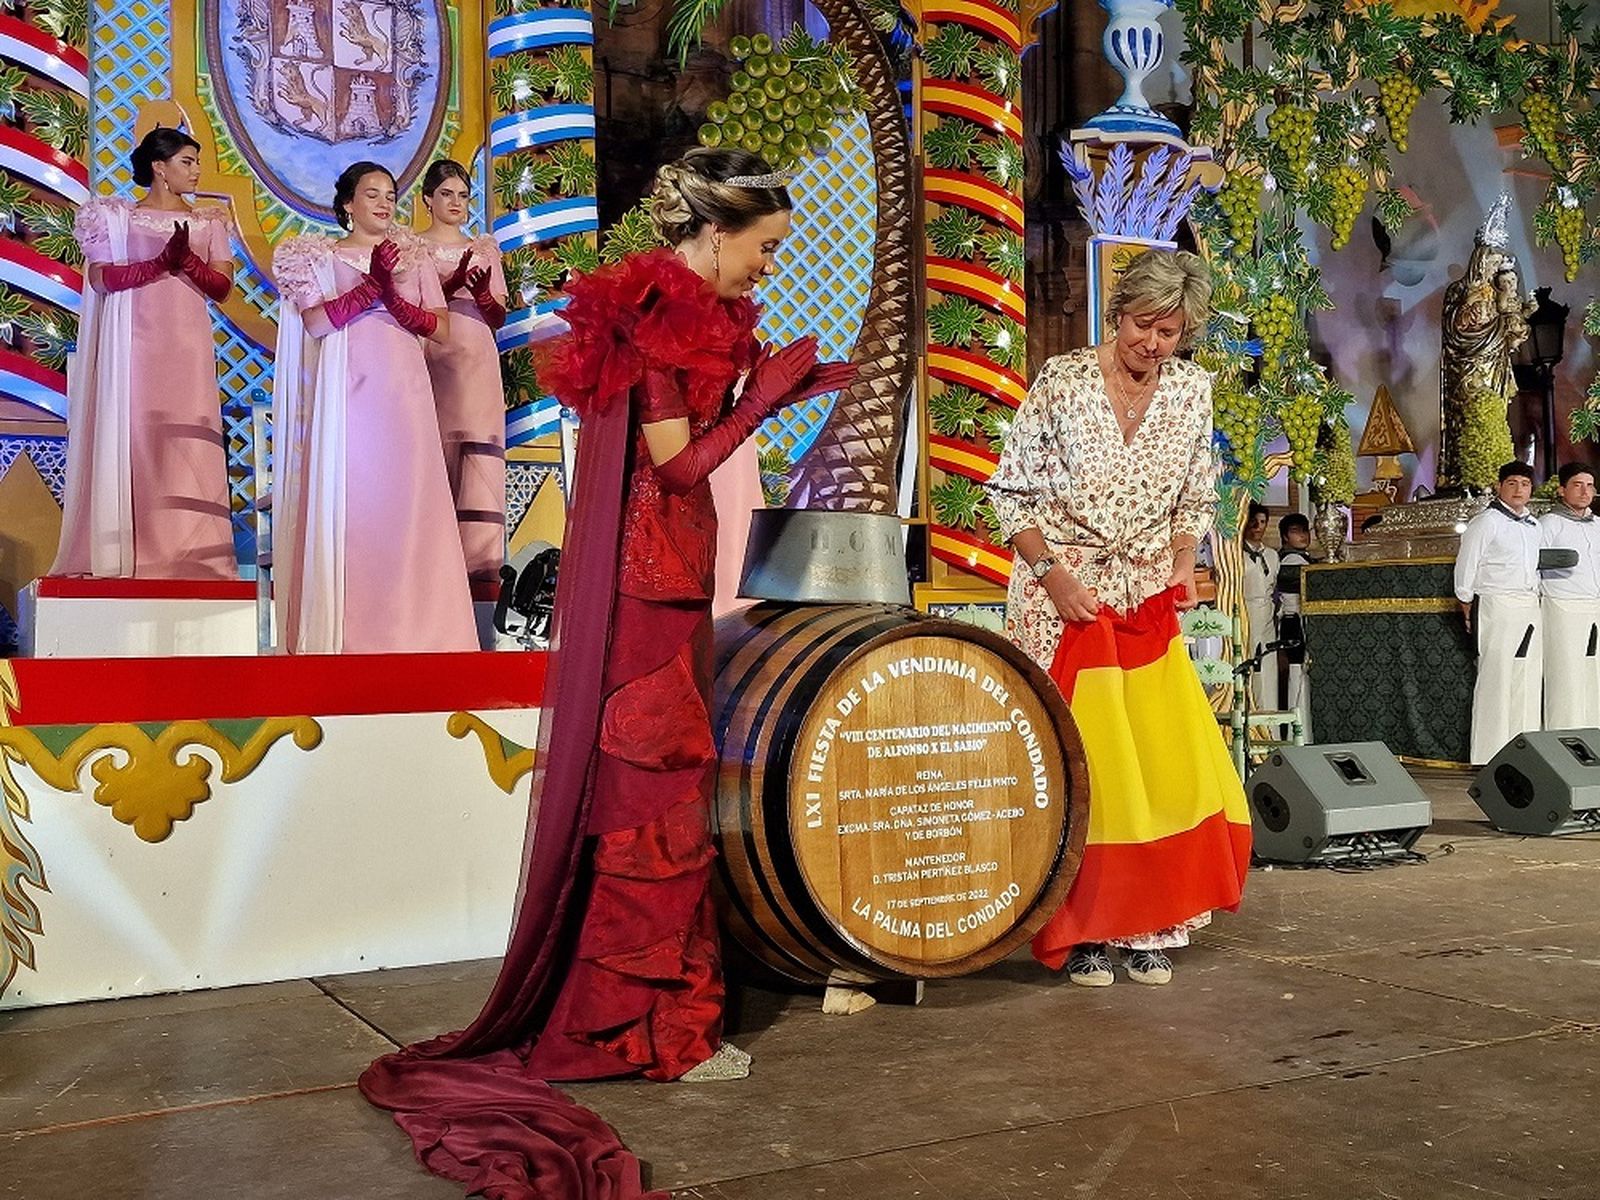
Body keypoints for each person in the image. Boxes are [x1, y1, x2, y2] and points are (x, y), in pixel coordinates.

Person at [358, 148, 853, 1196]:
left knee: (666, 800)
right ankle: (629, 1027)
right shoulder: (656, 310)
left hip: (669, 578)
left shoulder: (683, 301)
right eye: (762, 250)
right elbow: (676, 463)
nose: (767, 268)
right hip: (644, 589)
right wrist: (767, 398)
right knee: (651, 804)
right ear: (713, 233)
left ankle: (655, 1011)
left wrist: (780, 383)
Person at [986, 248, 1250, 989]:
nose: (1154, 345)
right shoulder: (1063, 381)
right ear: (1118, 312)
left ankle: (1147, 923)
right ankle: (1078, 931)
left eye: (1171, 332)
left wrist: (1179, 559)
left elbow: (1197, 495)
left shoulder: (1193, 391)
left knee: (1152, 763)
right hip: (1061, 593)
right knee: (1083, 765)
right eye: (1144, 326)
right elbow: (1012, 495)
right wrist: (1052, 574)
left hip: (1141, 598)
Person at [271, 161, 477, 654]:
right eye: (372, 195)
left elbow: (442, 328)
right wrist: (370, 288)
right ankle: (355, 633)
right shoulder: (318, 257)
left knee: (411, 504)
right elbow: (318, 325)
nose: (385, 203)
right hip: (350, 395)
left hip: (404, 392)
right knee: (359, 505)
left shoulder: (414, 255)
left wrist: (400, 304)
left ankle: (425, 631)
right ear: (347, 204)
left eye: (390, 194)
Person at [53, 126, 238, 579]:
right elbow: (101, 279)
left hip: (188, 347)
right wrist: (159, 263)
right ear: (160, 167)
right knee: (138, 439)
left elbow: (222, 288)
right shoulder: (118, 219)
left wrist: (187, 261)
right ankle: (132, 550)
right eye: (186, 162)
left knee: (186, 441)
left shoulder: (209, 223)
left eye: (196, 162)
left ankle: (190, 555)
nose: (196, 171)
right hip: (135, 346)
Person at [418, 159, 509, 584]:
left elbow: (498, 315)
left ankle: (479, 564)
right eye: (447, 194)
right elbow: (411, 306)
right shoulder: (413, 248)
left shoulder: (485, 248)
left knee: (477, 450)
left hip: (475, 354)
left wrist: (480, 296)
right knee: (434, 448)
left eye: (462, 195)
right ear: (427, 200)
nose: (456, 203)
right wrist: (448, 286)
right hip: (432, 353)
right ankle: (432, 560)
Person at [1453, 460, 1543, 763]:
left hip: (1529, 605)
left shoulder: (1535, 525)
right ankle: (1488, 754)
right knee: (1497, 677)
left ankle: (1524, 750)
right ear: (1500, 486)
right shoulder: (1486, 521)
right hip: (1496, 602)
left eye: (1525, 484)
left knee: (1526, 677)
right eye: (1513, 483)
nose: (1519, 490)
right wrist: (1465, 600)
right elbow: (1467, 564)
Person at [1539, 463, 1600, 729]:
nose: (1585, 491)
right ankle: (1562, 737)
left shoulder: (1598, 524)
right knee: (1566, 674)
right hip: (1562, 606)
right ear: (1562, 490)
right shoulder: (1549, 523)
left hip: (1594, 605)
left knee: (1593, 674)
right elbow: (1533, 565)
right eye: (1578, 485)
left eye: (1589, 485)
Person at [1276, 511, 1318, 717]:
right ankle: (1298, 724)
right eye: (1295, 531)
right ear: (1285, 536)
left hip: (1297, 621)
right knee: (1297, 673)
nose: (1303, 535)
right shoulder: (1291, 559)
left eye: (1305, 530)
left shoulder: (1303, 558)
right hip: (1293, 621)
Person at [1242, 501, 1280, 710]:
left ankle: (1271, 719)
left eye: (1263, 522)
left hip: (1267, 609)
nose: (1258, 527)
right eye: (1253, 522)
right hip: (1247, 607)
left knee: (1268, 662)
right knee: (1250, 661)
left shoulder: (1272, 555)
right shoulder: (1237, 555)